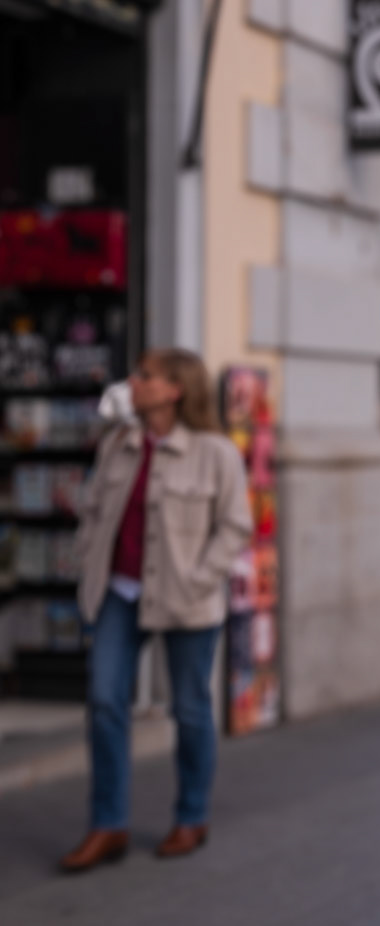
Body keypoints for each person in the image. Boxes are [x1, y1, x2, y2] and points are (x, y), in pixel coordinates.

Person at [60, 348, 253, 873]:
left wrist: (197, 580)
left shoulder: (215, 453)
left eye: (145, 376)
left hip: (185, 600)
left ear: (175, 390)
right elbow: (95, 510)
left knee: (189, 709)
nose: (134, 383)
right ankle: (108, 825)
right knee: (104, 701)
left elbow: (236, 526)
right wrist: (85, 558)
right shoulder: (118, 444)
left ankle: (191, 816)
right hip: (118, 594)